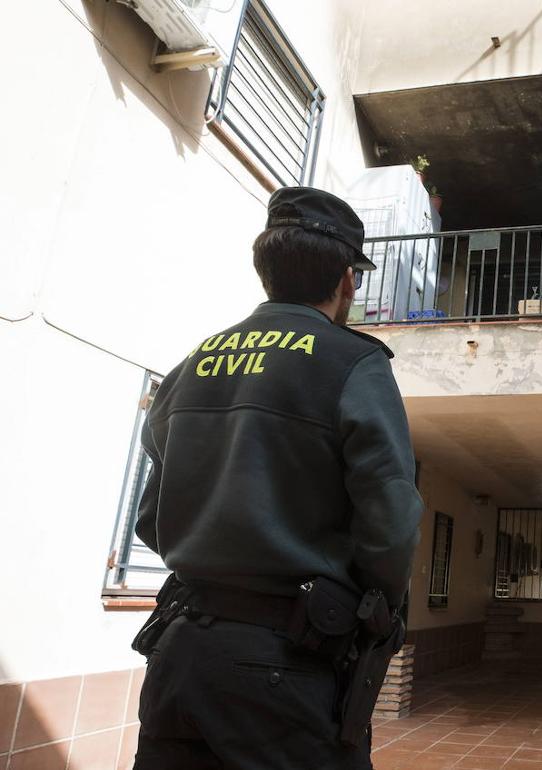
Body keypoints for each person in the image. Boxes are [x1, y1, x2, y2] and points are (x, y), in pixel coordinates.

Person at [131, 186, 423, 769]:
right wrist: (373, 606)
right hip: (286, 662)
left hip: (179, 650)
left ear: (264, 270)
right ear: (348, 279)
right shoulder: (353, 362)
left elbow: (148, 518)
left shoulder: (192, 364)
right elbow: (390, 519)